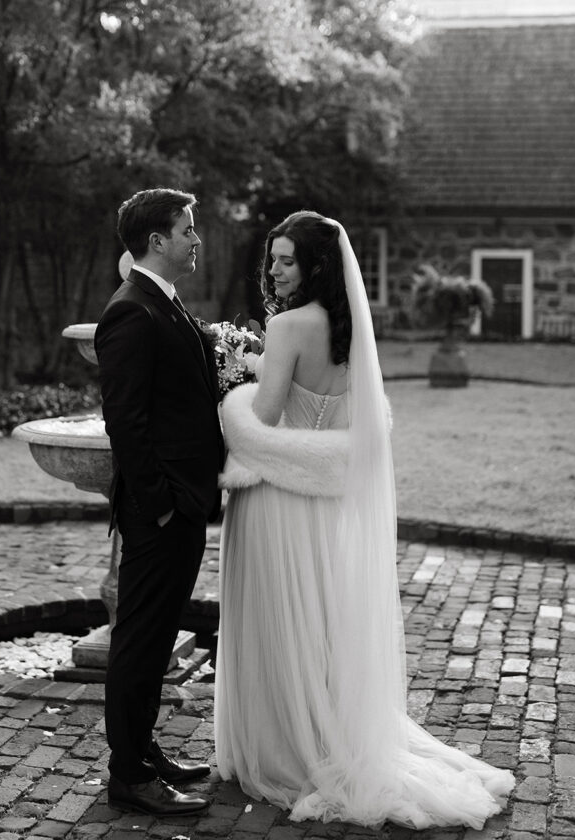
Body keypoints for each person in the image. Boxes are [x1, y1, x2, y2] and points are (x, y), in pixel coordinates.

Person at [214, 210, 515, 829]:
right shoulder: (354, 333)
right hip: (324, 506)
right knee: (317, 624)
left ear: (316, 265)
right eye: (272, 258)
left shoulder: (289, 324)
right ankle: (324, 735)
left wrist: (231, 395)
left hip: (276, 497)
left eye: (287, 259)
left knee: (276, 621)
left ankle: (283, 749)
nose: (274, 268)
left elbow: (265, 418)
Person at [95, 188, 224, 817]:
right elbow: (125, 422)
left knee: (155, 633)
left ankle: (144, 751)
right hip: (162, 512)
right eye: (187, 230)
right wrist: (163, 504)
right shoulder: (131, 312)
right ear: (157, 242)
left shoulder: (166, 304)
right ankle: (127, 775)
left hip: (186, 505)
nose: (196, 239)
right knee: (140, 641)